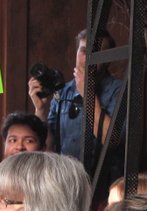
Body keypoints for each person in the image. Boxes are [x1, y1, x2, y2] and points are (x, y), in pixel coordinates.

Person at [28, 29, 122, 162]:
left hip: (104, 178)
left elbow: (111, 141)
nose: (88, 58)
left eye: (96, 53)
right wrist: (40, 110)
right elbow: (48, 147)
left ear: (107, 60)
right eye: (83, 51)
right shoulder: (62, 91)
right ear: (77, 52)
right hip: (66, 177)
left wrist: (88, 94)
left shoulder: (118, 90)